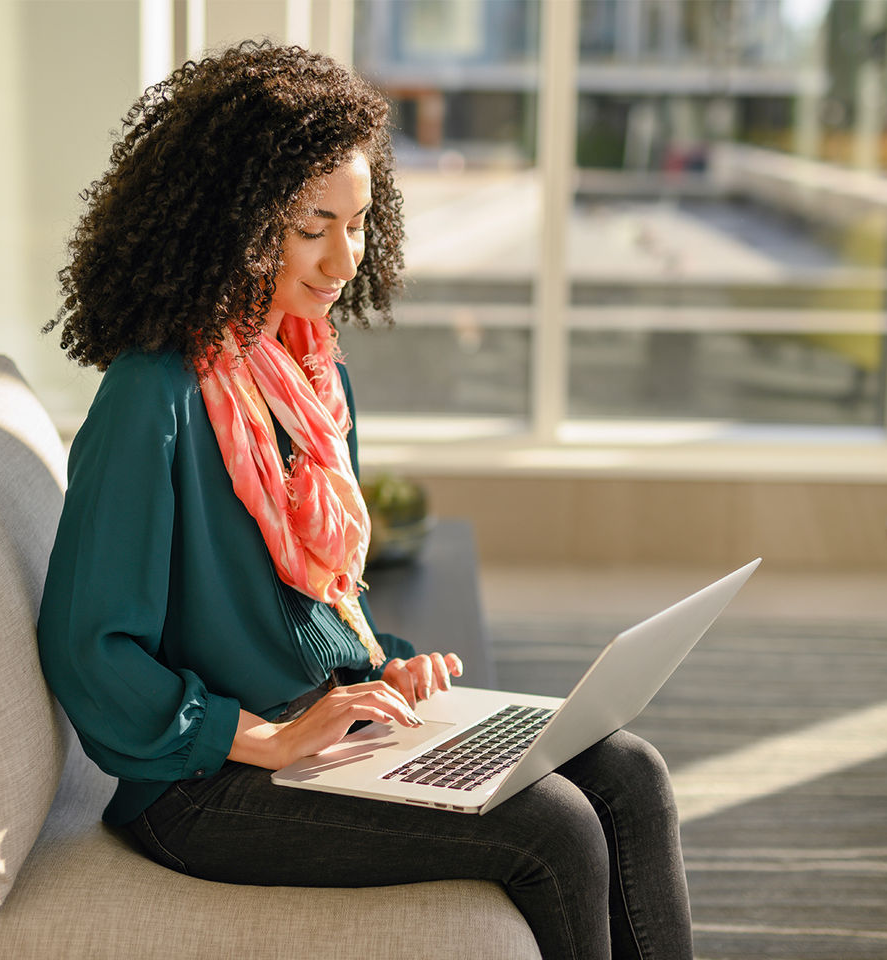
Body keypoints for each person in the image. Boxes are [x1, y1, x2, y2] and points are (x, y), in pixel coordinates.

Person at [38, 41, 693, 960]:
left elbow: (316, 604)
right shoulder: (154, 396)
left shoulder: (311, 378)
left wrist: (384, 667)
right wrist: (264, 737)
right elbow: (87, 647)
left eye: (361, 221)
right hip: (201, 789)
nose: (346, 257)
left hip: (326, 725)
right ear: (239, 219)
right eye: (315, 225)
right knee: (557, 829)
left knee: (628, 772)